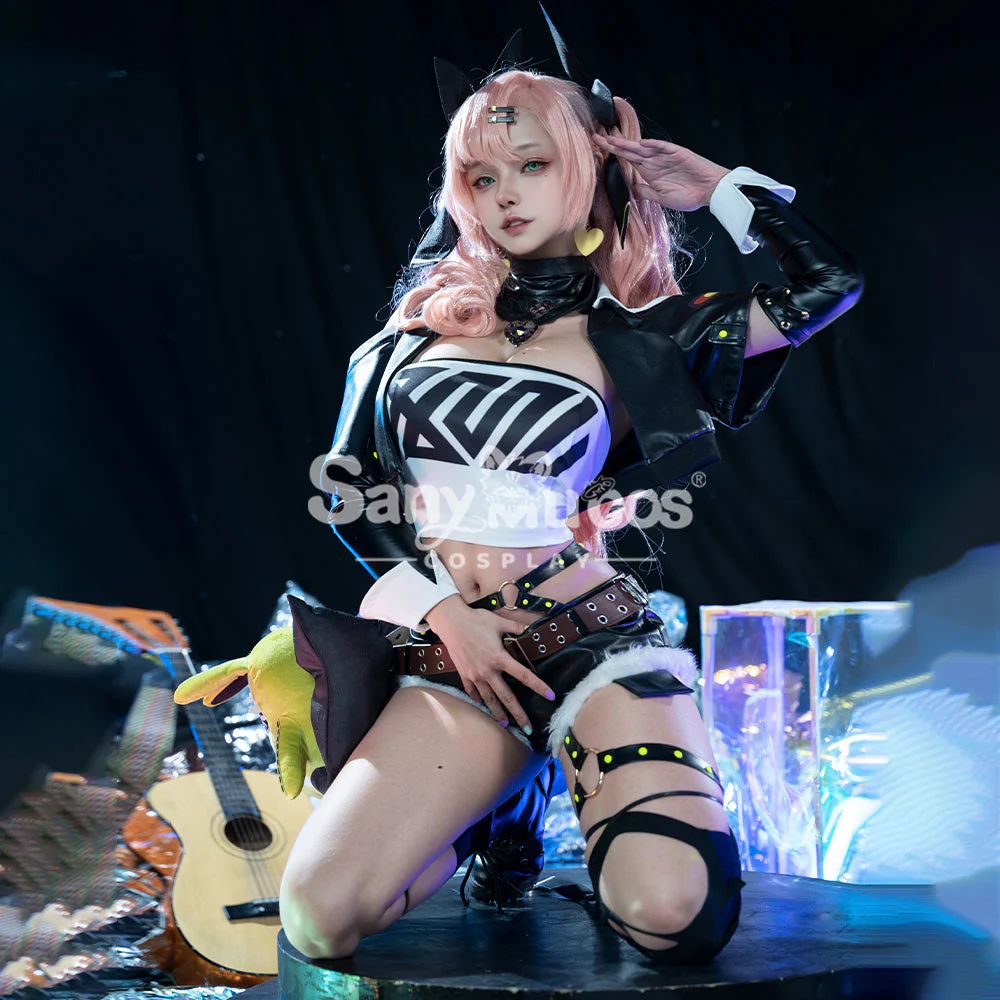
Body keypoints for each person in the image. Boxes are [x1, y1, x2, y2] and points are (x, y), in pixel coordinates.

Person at [277, 36, 863, 967]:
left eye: (533, 164)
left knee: (672, 918)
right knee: (319, 917)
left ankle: (597, 793)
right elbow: (350, 494)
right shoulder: (403, 341)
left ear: (587, 170)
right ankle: (499, 806)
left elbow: (827, 286)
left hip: (588, 636)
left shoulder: (648, 337)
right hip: (462, 654)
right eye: (481, 176)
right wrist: (443, 614)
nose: (504, 194)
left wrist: (717, 187)